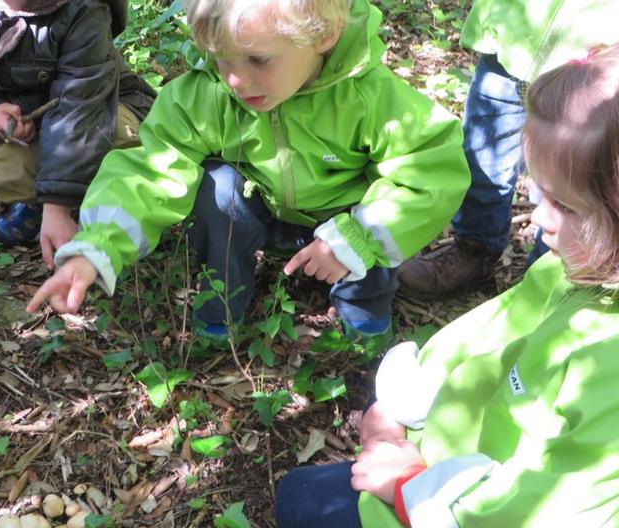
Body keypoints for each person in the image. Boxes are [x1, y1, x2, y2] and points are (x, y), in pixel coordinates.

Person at [275, 37, 619, 527]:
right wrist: (402, 401)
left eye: (567, 207)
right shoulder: (576, 267)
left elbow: (551, 509)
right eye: (538, 193)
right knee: (297, 497)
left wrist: (413, 490)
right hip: (447, 463)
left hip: (456, 508)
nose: (538, 221)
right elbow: (485, 332)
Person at [26, 0, 470, 353]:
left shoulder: (367, 96)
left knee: (376, 236)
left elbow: (429, 167)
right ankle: (221, 302)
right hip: (265, 207)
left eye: (259, 59)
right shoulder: (210, 95)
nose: (237, 79)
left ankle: (363, 307)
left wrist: (354, 238)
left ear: (324, 35)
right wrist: (98, 246)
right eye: (222, 59)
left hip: (343, 215)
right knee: (217, 185)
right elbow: (152, 168)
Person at [397, 0, 619, 298]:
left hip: (601, 75)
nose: (537, 215)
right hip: (513, 35)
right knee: (482, 158)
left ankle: (550, 279)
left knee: (572, 183)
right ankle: (474, 250)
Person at [0, 0, 156, 265]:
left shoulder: (82, 8)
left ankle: (107, 210)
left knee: (117, 149)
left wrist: (57, 207)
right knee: (5, 170)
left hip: (107, 107)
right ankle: (39, 203)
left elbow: (80, 108)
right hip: (39, 120)